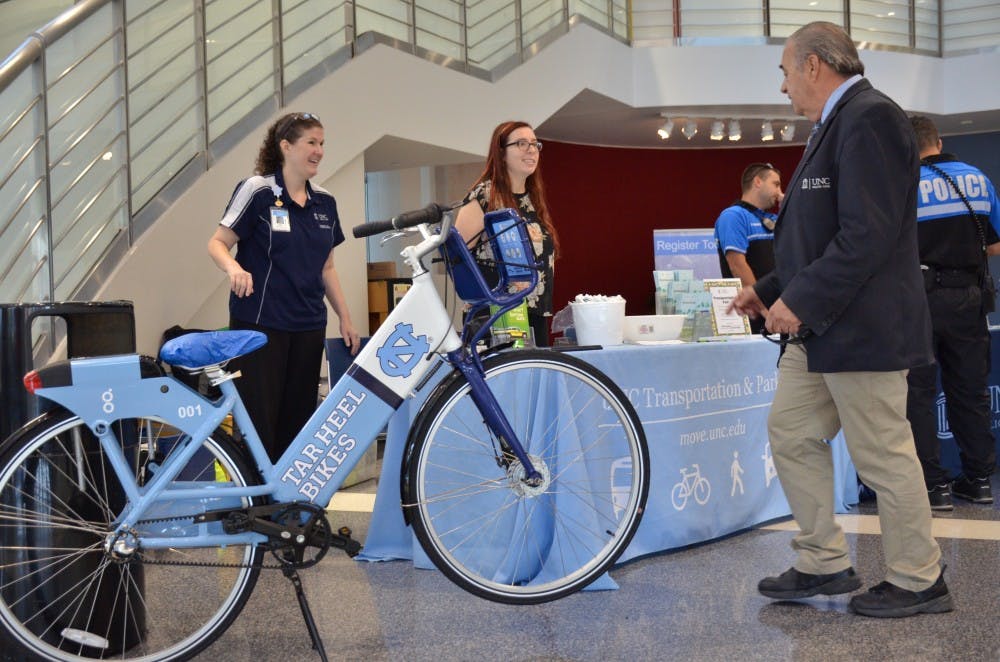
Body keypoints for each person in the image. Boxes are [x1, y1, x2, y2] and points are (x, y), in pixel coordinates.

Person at [729, 22, 951, 618]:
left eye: (783, 70)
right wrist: (770, 290)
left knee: (882, 453)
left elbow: (868, 235)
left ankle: (918, 578)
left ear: (812, 66)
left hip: (862, 329)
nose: (782, 87)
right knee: (792, 431)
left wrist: (799, 300)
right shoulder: (835, 124)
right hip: (821, 328)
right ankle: (823, 561)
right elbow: (817, 239)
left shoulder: (871, 118)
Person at [207, 112, 360, 462]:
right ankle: (252, 509)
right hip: (260, 325)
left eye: (322, 144)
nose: (319, 151)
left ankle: (287, 507)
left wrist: (345, 318)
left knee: (298, 421)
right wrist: (233, 268)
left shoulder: (325, 201)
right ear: (286, 146)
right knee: (258, 423)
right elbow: (217, 242)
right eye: (311, 142)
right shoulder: (258, 191)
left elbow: (327, 266)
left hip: (307, 324)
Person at [906, 115, 1000, 511]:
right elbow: (995, 245)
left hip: (919, 302)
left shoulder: (904, 184)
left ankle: (934, 487)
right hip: (970, 299)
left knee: (919, 395)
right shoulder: (978, 178)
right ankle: (979, 481)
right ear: (939, 142)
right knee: (970, 392)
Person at [455, 121, 558, 346]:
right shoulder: (485, 195)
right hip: (497, 314)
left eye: (534, 144)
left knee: (534, 380)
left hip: (535, 314)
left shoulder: (533, 200)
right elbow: (458, 257)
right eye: (521, 143)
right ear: (501, 153)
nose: (531, 149)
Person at [713, 163, 784, 331]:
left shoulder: (775, 218)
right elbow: (737, 264)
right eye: (776, 184)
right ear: (758, 182)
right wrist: (763, 309)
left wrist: (789, 207)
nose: (779, 192)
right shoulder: (733, 216)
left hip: (777, 314)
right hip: (751, 316)